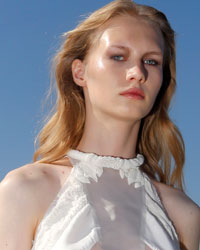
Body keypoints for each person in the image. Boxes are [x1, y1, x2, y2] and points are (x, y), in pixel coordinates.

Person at [0, 0, 199, 249]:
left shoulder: (183, 213)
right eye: (118, 56)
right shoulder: (25, 189)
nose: (137, 72)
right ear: (79, 73)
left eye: (151, 61)